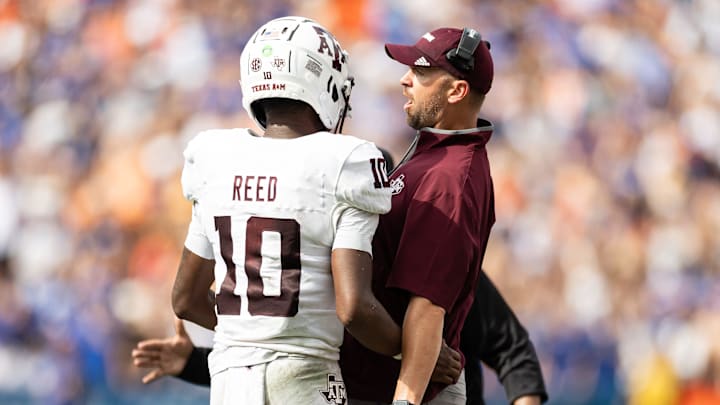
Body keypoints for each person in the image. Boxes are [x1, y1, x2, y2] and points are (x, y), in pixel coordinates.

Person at [169, 16, 411, 405]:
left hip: (230, 381)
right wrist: (412, 351)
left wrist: (251, 332)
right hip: (305, 376)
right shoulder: (344, 161)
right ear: (327, 83)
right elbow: (353, 308)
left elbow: (185, 299)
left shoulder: (215, 158)